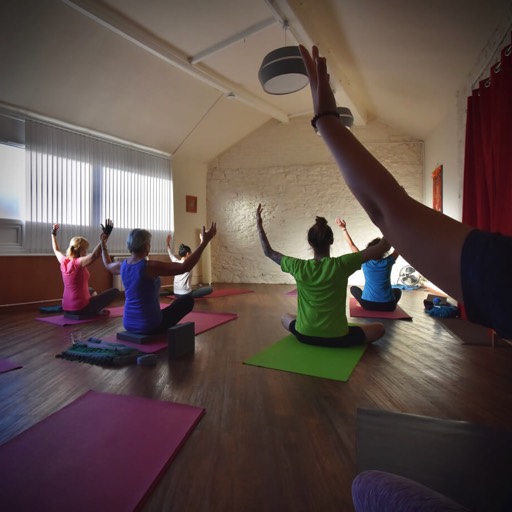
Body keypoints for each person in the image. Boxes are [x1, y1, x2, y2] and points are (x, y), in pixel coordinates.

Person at [299, 44, 512, 339]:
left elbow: (386, 214)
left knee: (326, 307)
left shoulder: (315, 265)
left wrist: (326, 121)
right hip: (385, 304)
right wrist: (327, 122)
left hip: (347, 313)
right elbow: (388, 229)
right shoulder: (372, 259)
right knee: (393, 297)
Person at [256, 204, 390, 347]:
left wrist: (259, 225)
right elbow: (383, 247)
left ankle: (308, 328)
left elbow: (268, 252)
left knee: (285, 317)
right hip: (338, 337)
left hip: (304, 335)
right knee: (379, 329)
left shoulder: (298, 266)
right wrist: (388, 214)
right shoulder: (342, 264)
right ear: (331, 241)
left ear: (310, 242)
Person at [101, 220, 217, 334]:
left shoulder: (122, 265)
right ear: (146, 246)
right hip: (150, 325)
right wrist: (204, 242)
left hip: (128, 324)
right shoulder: (149, 266)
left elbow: (107, 264)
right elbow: (185, 267)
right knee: (187, 301)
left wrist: (103, 244)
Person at [51, 223, 120, 317]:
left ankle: (93, 308)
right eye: (85, 250)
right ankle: (94, 311)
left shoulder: (64, 260)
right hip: (80, 309)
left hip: (66, 308)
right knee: (115, 291)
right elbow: (95, 255)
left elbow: (56, 250)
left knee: (90, 289)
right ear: (80, 250)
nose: (86, 252)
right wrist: (105, 237)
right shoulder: (78, 262)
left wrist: (53, 233)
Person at [337, 218, 401, 311]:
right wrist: (398, 229)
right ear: (383, 252)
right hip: (389, 306)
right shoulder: (388, 262)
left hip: (368, 305)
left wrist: (344, 229)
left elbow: (351, 245)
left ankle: (364, 299)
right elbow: (399, 248)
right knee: (397, 291)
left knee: (353, 289)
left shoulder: (364, 262)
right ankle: (386, 301)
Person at [166, 233, 213, 298]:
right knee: (210, 289)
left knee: (194, 289)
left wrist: (168, 242)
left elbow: (170, 253)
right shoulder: (189, 264)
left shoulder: (175, 262)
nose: (191, 254)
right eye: (190, 253)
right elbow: (198, 252)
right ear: (188, 253)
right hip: (186, 295)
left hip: (176, 293)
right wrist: (202, 241)